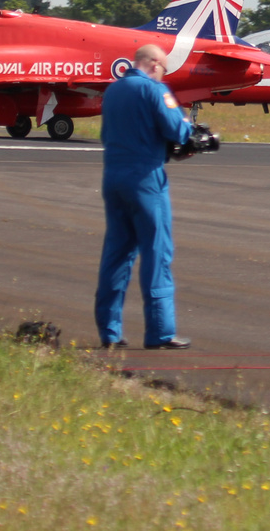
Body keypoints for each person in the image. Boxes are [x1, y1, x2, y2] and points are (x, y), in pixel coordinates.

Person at [94, 43, 195, 350]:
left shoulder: (112, 91)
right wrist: (187, 127)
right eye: (163, 69)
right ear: (154, 64)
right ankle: (160, 332)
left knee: (117, 252)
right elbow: (177, 131)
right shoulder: (155, 90)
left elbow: (106, 134)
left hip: (113, 176)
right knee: (156, 252)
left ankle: (110, 332)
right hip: (145, 178)